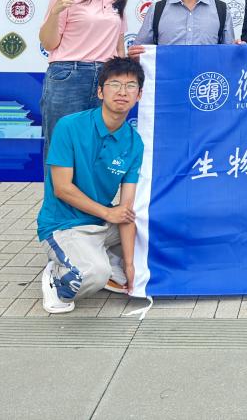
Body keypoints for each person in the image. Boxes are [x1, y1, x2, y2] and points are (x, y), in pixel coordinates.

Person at [37, 56, 145, 314]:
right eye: (114, 84)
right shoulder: (70, 126)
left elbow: (126, 211)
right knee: (92, 275)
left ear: (139, 95)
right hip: (63, 224)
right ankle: (57, 277)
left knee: (154, 228)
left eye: (131, 86)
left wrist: (130, 266)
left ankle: (106, 258)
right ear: (100, 92)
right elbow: (62, 188)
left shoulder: (134, 142)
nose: (122, 92)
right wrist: (108, 213)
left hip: (101, 223)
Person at [38, 0, 131, 158]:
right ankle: (57, 186)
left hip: (106, 78)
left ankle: (90, 186)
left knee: (98, 149)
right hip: (69, 75)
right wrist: (55, 12)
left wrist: (123, 79)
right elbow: (49, 43)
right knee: (62, 146)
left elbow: (119, 45)